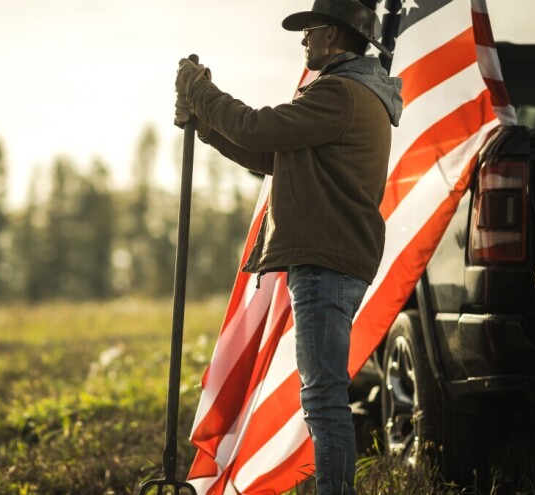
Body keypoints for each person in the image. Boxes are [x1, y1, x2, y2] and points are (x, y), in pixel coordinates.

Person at [174, 1, 402, 494]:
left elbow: (261, 128)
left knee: (323, 398)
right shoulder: (349, 93)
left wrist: (201, 91)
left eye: (310, 30)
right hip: (331, 258)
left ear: (334, 36)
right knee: (324, 394)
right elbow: (269, 152)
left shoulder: (340, 93)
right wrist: (208, 125)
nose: (303, 40)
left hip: (325, 261)